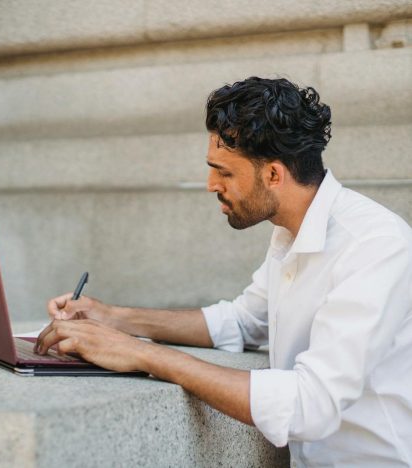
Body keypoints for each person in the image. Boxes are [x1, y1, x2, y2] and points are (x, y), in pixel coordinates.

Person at [35, 77, 412, 467]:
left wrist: (142, 355)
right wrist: (116, 318)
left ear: (273, 175)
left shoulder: (375, 244)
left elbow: (311, 405)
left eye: (224, 172)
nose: (210, 184)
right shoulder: (290, 231)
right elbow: (242, 321)